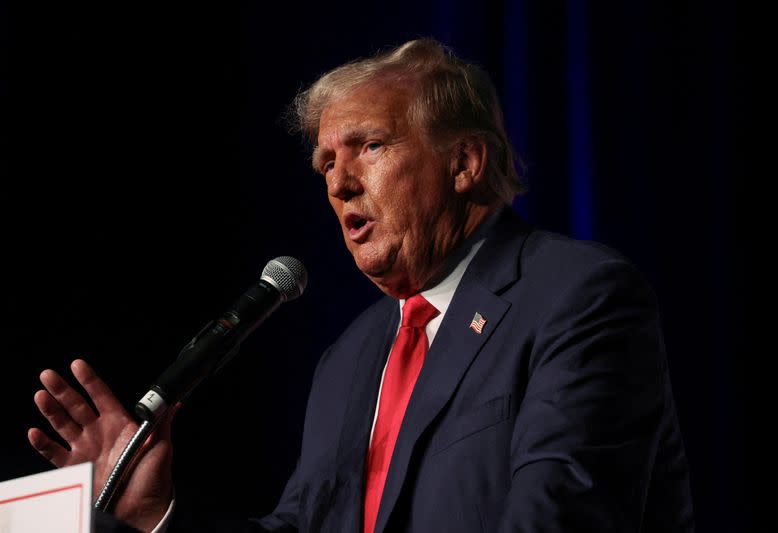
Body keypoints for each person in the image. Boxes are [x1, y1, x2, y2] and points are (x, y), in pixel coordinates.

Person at [28, 38, 694, 532]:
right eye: (325, 162)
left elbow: (558, 518)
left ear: (464, 162)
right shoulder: (350, 357)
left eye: (368, 146)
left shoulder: (577, 295)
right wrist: (154, 513)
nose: (337, 182)